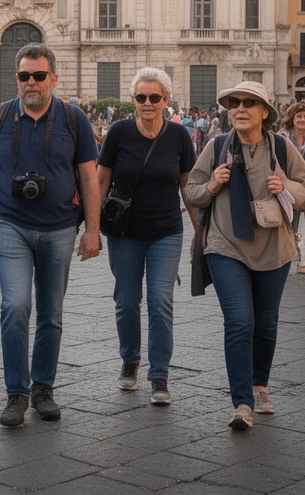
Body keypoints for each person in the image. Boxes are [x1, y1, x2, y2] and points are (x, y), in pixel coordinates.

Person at [0, 43, 101, 427]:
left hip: (61, 227)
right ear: (16, 79)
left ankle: (43, 387)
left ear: (54, 79)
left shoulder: (74, 120)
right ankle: (16, 393)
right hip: (11, 224)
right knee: (15, 306)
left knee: (51, 313)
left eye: (39, 75)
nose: (31, 83)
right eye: (24, 76)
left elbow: (91, 178)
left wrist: (92, 230)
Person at [184, 81, 305, 430]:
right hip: (226, 245)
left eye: (248, 103)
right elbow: (192, 191)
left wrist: (284, 186)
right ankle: (241, 403)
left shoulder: (281, 147)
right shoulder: (216, 147)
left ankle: (260, 384)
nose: (240, 108)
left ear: (264, 112)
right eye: (234, 103)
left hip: (274, 247)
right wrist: (213, 184)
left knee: (266, 322)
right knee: (240, 321)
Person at [96, 68, 195, 405]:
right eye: (142, 97)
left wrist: (202, 232)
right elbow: (99, 182)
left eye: (155, 97)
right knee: (125, 301)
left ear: (166, 100)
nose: (148, 103)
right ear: (133, 100)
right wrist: (90, 229)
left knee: (160, 301)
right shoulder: (118, 133)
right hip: (124, 232)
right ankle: (130, 359)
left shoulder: (180, 136)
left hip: (166, 232)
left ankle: (159, 375)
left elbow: (188, 188)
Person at [282, 102, 305, 274]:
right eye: (299, 116)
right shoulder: (282, 138)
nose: (302, 119)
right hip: (288, 186)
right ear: (292, 118)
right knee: (290, 224)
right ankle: (291, 256)